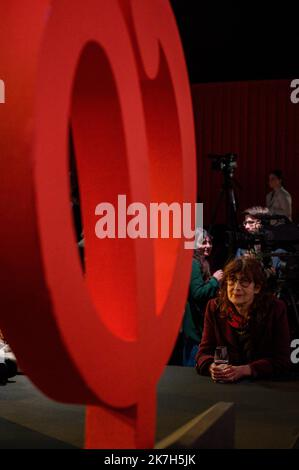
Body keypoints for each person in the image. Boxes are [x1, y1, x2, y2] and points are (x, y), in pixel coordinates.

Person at [196, 257, 291, 381]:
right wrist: (211, 366)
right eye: (232, 280)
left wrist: (246, 370)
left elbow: (282, 361)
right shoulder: (215, 308)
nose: (236, 288)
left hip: (266, 386)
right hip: (226, 386)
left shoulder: (275, 309)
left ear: (257, 287)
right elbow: (203, 353)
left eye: (244, 282)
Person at [182, 228, 223, 367]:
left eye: (209, 242)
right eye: (203, 242)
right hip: (195, 329)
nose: (208, 245)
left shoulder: (202, 262)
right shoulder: (193, 263)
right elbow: (197, 293)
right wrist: (215, 280)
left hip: (200, 326)